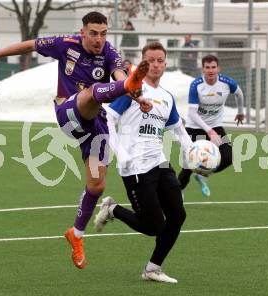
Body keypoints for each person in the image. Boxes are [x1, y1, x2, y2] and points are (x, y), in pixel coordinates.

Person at [0, 11, 151, 269]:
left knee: (96, 185)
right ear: (82, 32)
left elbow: (117, 74)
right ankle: (129, 85)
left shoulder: (110, 53)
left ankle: (76, 234)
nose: (99, 39)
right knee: (91, 93)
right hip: (69, 113)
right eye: (93, 33)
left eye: (103, 33)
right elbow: (29, 45)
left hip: (95, 127)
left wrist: (136, 95)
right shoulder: (65, 44)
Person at [95, 42, 194, 283]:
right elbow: (108, 117)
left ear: (165, 64)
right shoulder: (132, 89)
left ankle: (152, 269)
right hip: (135, 167)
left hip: (159, 162)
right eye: (151, 60)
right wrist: (119, 150)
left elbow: (177, 128)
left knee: (178, 216)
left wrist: (193, 149)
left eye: (160, 60)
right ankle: (112, 209)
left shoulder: (167, 97)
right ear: (142, 63)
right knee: (154, 226)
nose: (156, 65)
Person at [178, 54, 245, 197]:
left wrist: (240, 112)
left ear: (218, 68)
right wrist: (209, 131)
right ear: (202, 69)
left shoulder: (227, 82)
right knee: (189, 164)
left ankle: (203, 175)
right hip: (194, 127)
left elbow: (239, 94)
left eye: (213, 67)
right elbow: (193, 113)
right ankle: (179, 191)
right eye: (207, 67)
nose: (210, 70)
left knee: (228, 157)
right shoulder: (196, 85)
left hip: (216, 127)